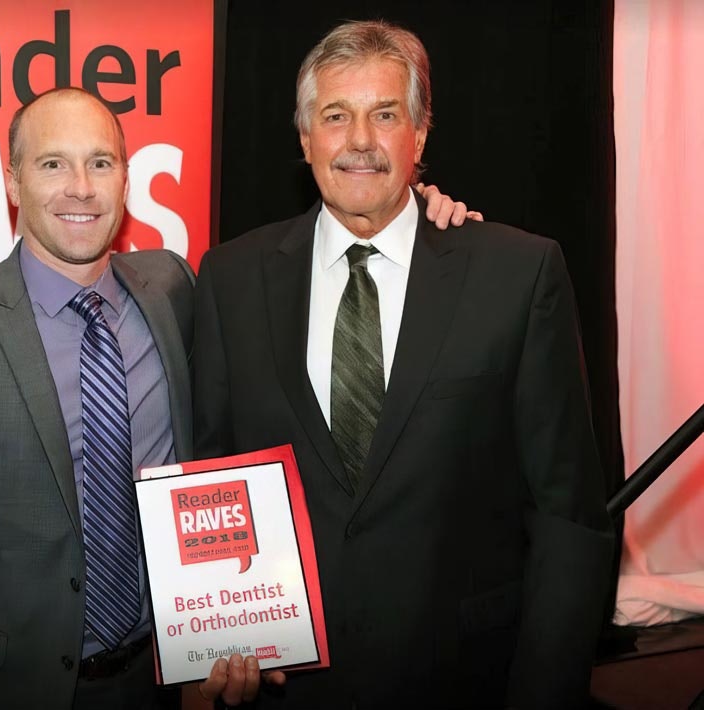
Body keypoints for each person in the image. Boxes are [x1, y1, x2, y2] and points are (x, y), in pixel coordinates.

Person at [0, 86, 472, 710]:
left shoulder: (172, 289)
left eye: (100, 163)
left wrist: (413, 210)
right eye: (53, 164)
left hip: (152, 684)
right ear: (13, 182)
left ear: (125, 180)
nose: (81, 188)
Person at [193, 20, 614, 710]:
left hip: (467, 680)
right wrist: (220, 637)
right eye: (336, 116)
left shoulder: (517, 273)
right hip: (285, 689)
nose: (360, 139)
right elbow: (213, 474)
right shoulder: (230, 279)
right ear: (305, 139)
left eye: (385, 115)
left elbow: (567, 516)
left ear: (418, 136)